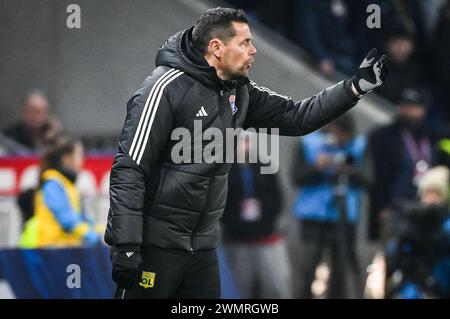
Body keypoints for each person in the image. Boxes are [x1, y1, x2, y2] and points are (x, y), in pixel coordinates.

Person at [104, 7, 389, 299]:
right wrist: (126, 245)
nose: (254, 51)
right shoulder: (163, 89)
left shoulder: (239, 92)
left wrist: (354, 87)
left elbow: (296, 116)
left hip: (202, 249)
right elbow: (130, 169)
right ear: (216, 48)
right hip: (157, 247)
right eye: (245, 43)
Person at [291, 114, 368, 298]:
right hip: (313, 216)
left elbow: (368, 179)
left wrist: (349, 170)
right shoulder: (309, 142)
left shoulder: (359, 145)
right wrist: (317, 167)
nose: (337, 137)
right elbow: (297, 177)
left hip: (344, 215)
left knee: (341, 271)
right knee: (307, 269)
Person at [221, 137, 292, 298]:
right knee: (241, 287)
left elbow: (276, 196)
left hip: (267, 235)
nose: (244, 146)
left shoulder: (263, 166)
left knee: (276, 285)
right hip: (238, 238)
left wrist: (268, 218)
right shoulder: (226, 170)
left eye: (247, 142)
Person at [368, 88, 440, 242]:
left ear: (424, 109)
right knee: (390, 256)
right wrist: (381, 206)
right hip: (394, 209)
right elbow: (376, 176)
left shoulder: (433, 137)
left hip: (426, 210)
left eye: (414, 106)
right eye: (405, 105)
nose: (409, 111)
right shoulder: (383, 136)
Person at [19, 136, 101, 248]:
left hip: (65, 250)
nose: (82, 160)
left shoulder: (66, 185)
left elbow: (81, 219)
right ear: (66, 159)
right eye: (79, 155)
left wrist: (101, 232)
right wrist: (94, 236)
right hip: (51, 251)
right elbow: (66, 218)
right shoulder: (52, 184)